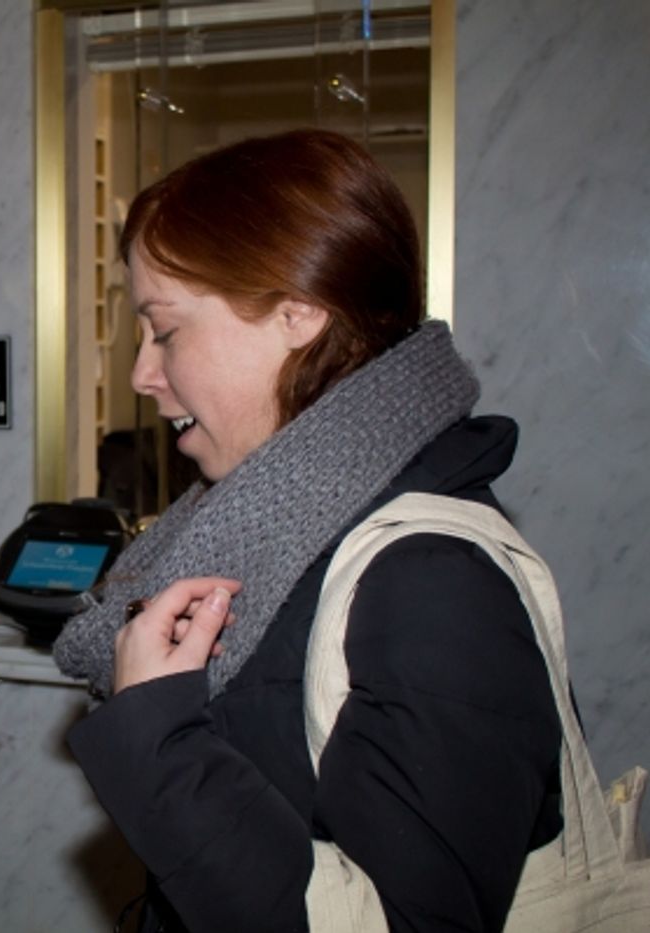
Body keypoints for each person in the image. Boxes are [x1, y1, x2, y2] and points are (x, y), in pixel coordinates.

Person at [53, 130, 563, 933]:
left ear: (297, 313)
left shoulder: (432, 580)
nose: (142, 376)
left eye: (167, 330)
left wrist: (158, 736)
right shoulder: (262, 532)